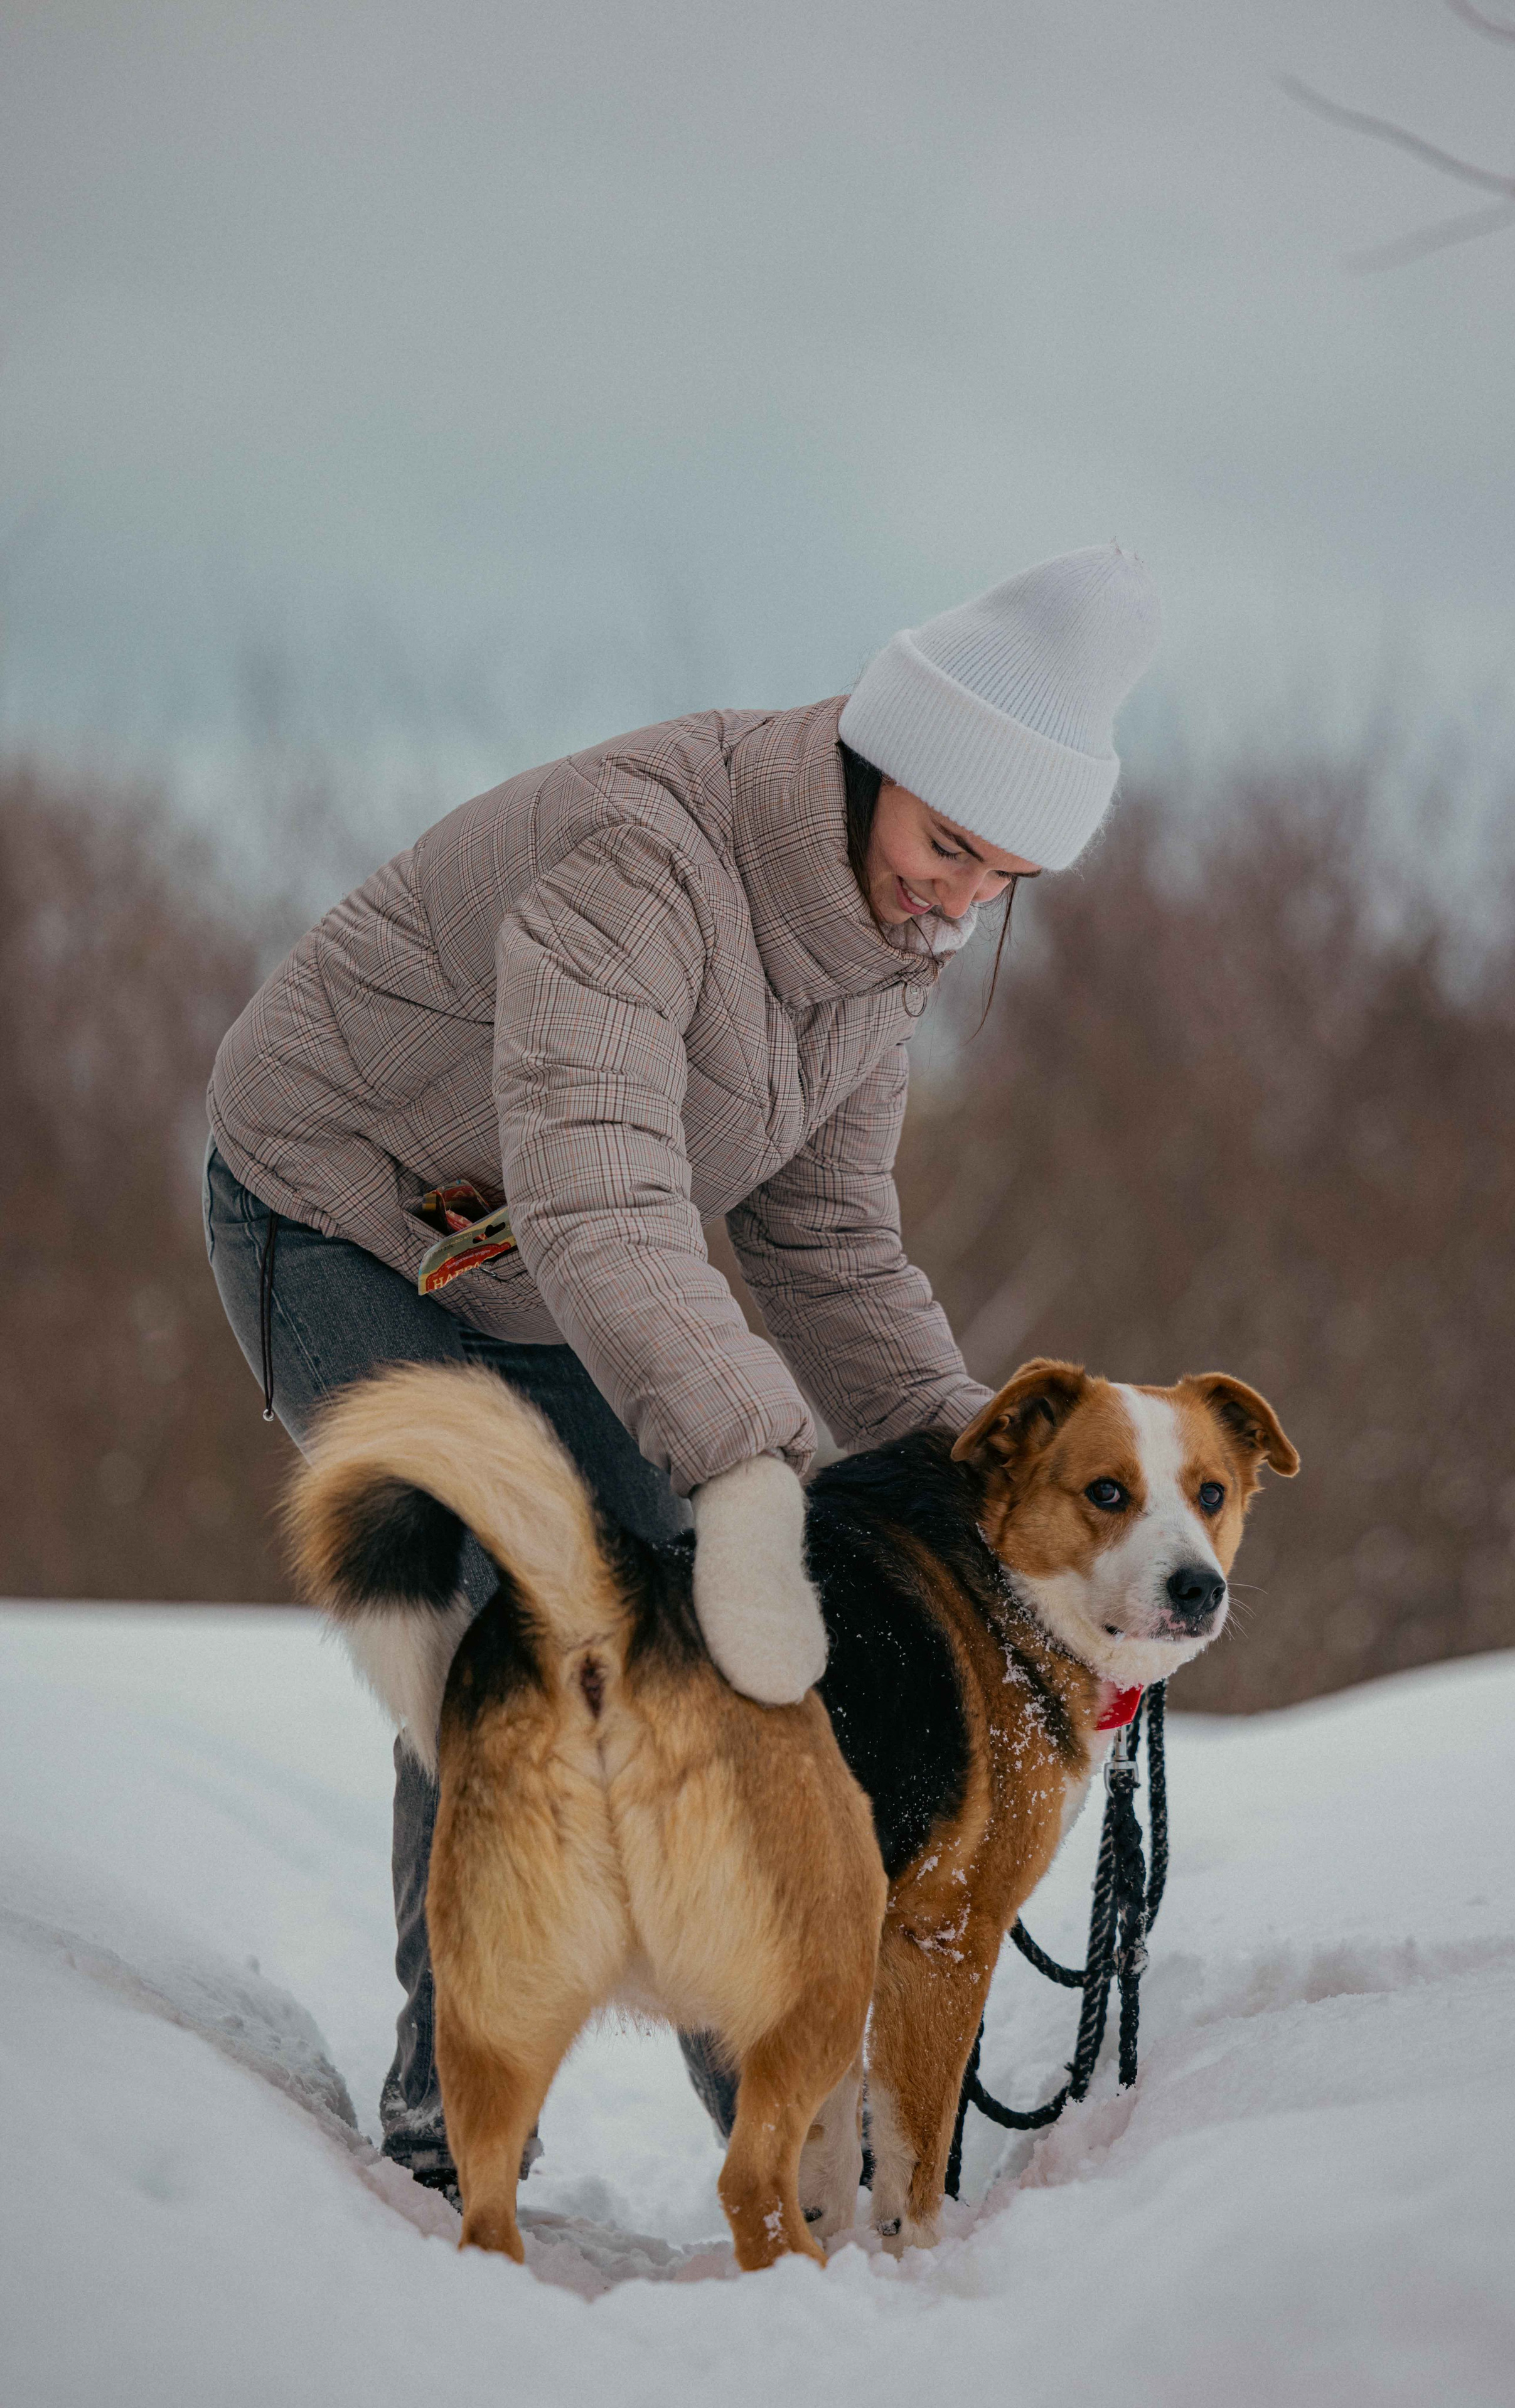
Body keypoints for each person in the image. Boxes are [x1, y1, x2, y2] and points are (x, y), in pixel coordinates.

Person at [202, 542, 1160, 2192]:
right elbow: (599, 1187)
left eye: (1003, 876)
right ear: (878, 764)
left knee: (700, 1659)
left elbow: (828, 1247)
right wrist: (743, 1465)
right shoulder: (645, 856)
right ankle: (452, 2112)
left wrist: (984, 1481)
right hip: (336, 1210)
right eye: (946, 844)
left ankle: (786, 2147)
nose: (956, 900)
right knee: (513, 1623)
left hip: (537, 1275)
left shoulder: (881, 960)